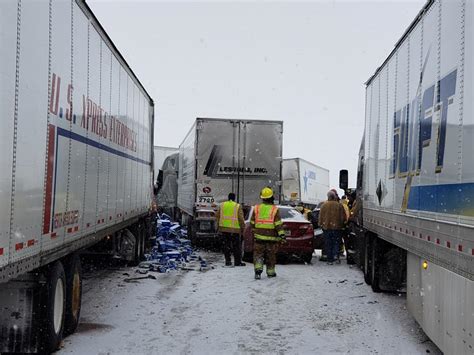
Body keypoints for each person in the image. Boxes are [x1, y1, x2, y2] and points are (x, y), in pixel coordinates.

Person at [250, 187, 286, 279]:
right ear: (272, 197)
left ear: (262, 198)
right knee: (271, 256)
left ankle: (258, 271)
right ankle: (270, 272)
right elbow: (277, 224)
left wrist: (255, 230)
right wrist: (282, 235)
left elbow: (252, 222)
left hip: (259, 237)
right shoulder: (274, 209)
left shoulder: (256, 208)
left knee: (258, 254)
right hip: (271, 238)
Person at [216, 192, 246, 266]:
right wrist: (243, 228)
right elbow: (241, 218)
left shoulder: (222, 205)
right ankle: (237, 262)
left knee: (226, 246)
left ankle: (228, 261)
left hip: (224, 229)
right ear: (234, 198)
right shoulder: (237, 206)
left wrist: (218, 227)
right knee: (236, 246)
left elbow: (217, 216)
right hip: (235, 230)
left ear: (228, 197)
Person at [318, 190, 346, 265]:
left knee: (328, 243)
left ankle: (329, 259)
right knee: (336, 243)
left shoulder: (324, 205)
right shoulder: (339, 205)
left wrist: (320, 224)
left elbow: (320, 216)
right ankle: (335, 256)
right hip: (337, 227)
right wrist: (342, 223)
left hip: (326, 227)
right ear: (334, 197)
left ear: (328, 197)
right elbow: (343, 217)